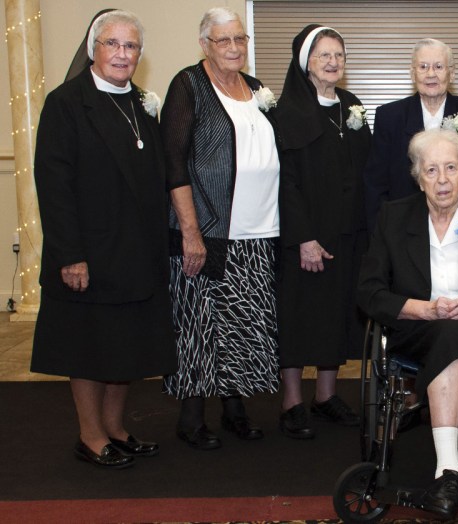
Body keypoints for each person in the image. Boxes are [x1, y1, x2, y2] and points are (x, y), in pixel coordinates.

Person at [31, 10, 176, 469]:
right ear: (93, 48)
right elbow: (53, 186)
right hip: (90, 254)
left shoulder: (139, 104)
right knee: (90, 349)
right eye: (112, 44)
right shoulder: (67, 103)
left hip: (136, 254)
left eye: (130, 46)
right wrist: (70, 256)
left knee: (126, 349)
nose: (122, 54)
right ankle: (90, 436)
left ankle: (116, 429)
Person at [358, 128, 458, 519]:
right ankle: (448, 469)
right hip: (419, 329)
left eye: (451, 167)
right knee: (452, 332)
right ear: (417, 176)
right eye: (431, 170)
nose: (443, 179)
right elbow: (369, 292)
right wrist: (424, 309)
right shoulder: (393, 218)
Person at [160, 7, 281, 450]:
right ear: (204, 45)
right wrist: (189, 231)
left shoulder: (257, 88)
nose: (234, 48)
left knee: (244, 324)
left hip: (258, 231)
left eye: (240, 39)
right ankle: (191, 417)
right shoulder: (188, 85)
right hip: (206, 230)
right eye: (223, 40)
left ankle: (235, 410)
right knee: (198, 325)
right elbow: (173, 164)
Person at [274, 24, 371, 439]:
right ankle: (293, 400)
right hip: (305, 237)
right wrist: (304, 238)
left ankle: (326, 396)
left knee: (336, 316)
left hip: (347, 233)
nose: (333, 62)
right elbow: (285, 181)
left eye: (339, 55)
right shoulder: (288, 111)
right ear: (305, 63)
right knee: (299, 317)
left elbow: (366, 168)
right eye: (323, 55)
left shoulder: (351, 104)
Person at [363, 38, 458, 231]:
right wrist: (382, 232)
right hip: (402, 227)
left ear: (451, 74)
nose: (431, 74)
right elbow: (376, 184)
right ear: (413, 74)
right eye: (423, 67)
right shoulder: (389, 117)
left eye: (438, 66)